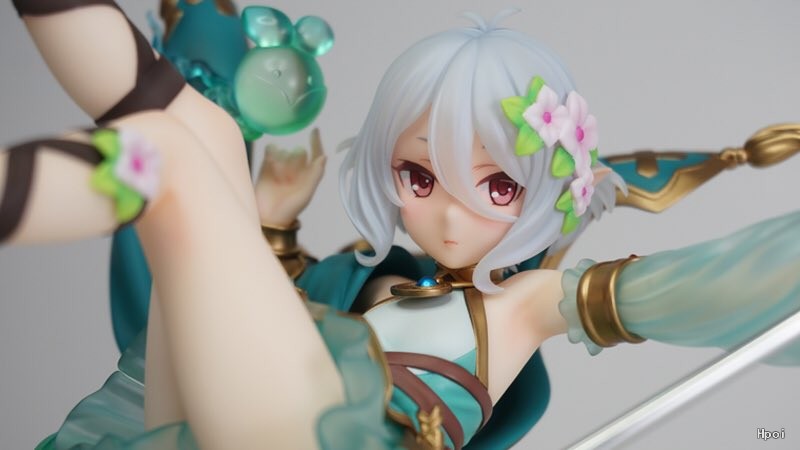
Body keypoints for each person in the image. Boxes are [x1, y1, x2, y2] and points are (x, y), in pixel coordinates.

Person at [1, 2, 798, 449]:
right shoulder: (383, 277)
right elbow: (267, 323)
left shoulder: (526, 306)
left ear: (546, 193)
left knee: (174, 162)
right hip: (265, 415)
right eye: (419, 176)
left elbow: (698, 288)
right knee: (204, 130)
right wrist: (272, 225)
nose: (448, 213)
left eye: (497, 187)